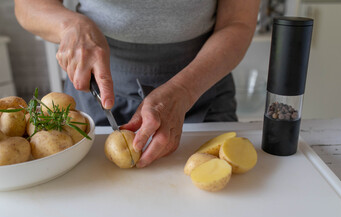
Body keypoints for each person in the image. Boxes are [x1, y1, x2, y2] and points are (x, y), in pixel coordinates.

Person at [14, 0, 260, 168]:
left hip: (203, 81)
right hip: (95, 90)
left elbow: (238, 21)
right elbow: (28, 5)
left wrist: (185, 89)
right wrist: (70, 26)